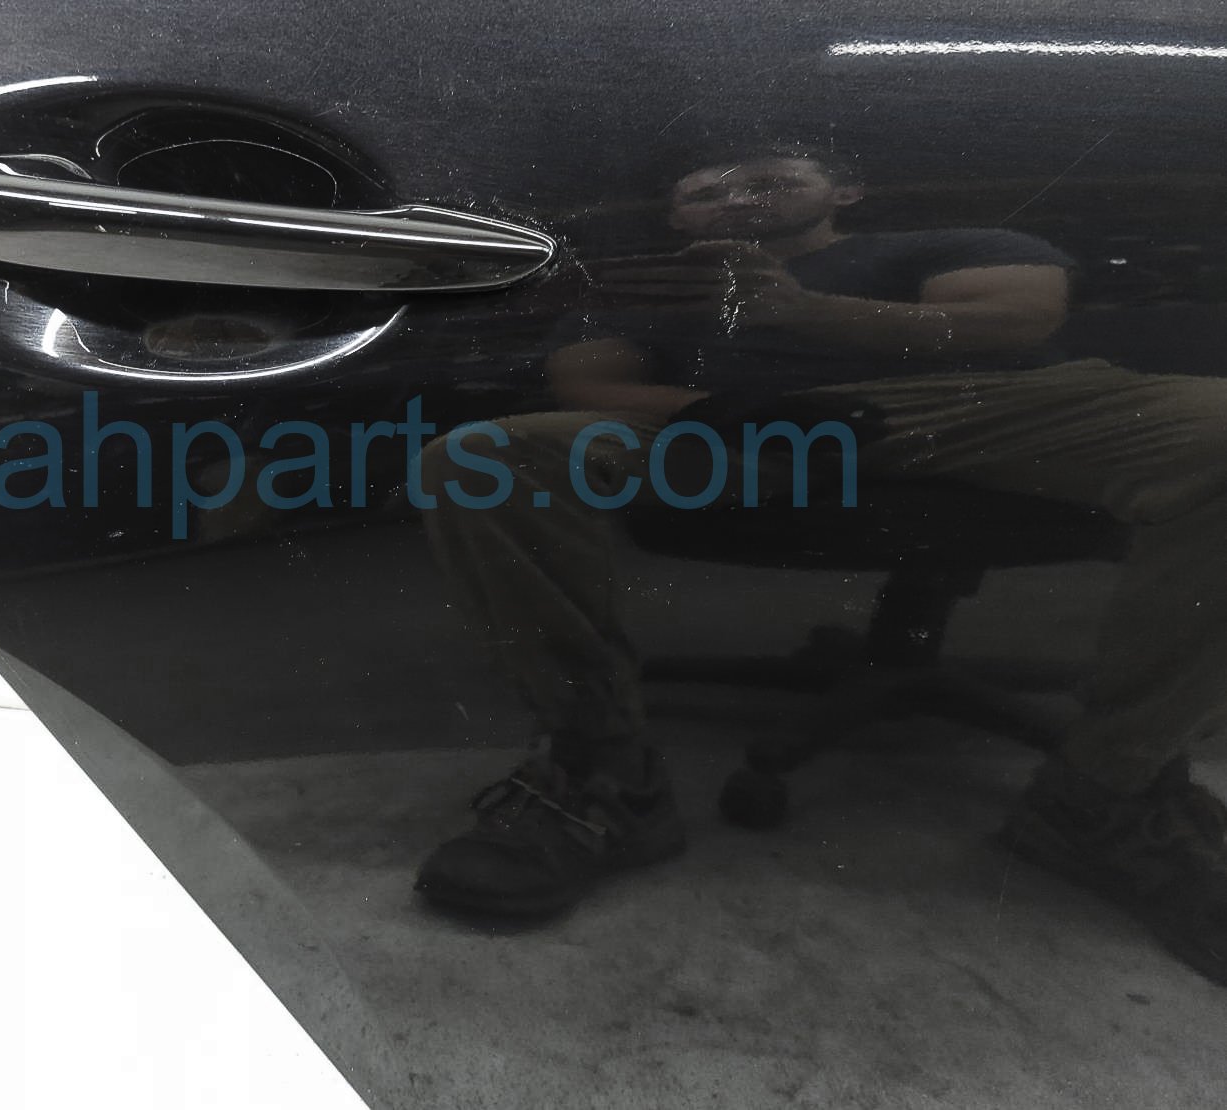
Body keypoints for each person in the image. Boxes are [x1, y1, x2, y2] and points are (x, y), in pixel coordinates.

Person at [413, 148, 1227, 986]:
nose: (737, 197)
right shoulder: (647, 283)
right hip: (757, 424)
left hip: (996, 406)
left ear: (845, 191)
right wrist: (727, 408)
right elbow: (589, 381)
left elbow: (1010, 321)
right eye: (706, 192)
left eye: (770, 180)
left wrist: (806, 310)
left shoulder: (939, 244)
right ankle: (603, 773)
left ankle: (1105, 794)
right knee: (484, 459)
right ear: (678, 218)